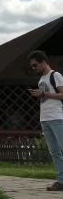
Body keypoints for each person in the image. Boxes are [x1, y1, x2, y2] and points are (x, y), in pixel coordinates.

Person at [28, 50, 63, 191]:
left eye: (35, 65)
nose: (33, 68)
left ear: (43, 62)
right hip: (45, 118)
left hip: (56, 117)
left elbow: (62, 94)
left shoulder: (56, 75)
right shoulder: (41, 80)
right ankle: (61, 180)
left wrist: (44, 93)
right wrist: (40, 95)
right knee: (54, 151)